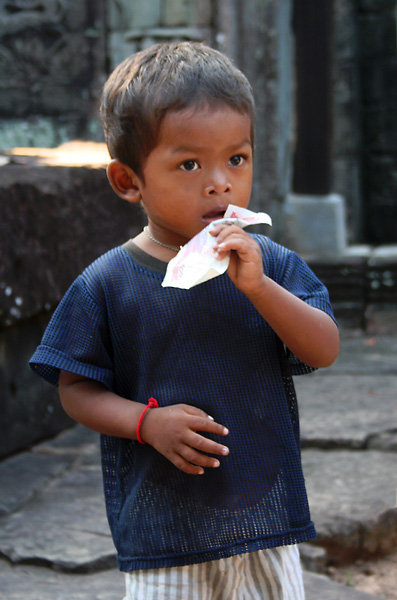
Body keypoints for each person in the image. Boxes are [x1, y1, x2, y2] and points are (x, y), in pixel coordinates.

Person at [30, 41, 340, 599]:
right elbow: (75, 389)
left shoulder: (268, 263)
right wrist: (145, 423)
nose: (220, 182)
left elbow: (323, 349)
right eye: (190, 163)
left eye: (237, 159)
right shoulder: (109, 283)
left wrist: (259, 288)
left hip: (263, 519)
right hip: (164, 529)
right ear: (129, 181)